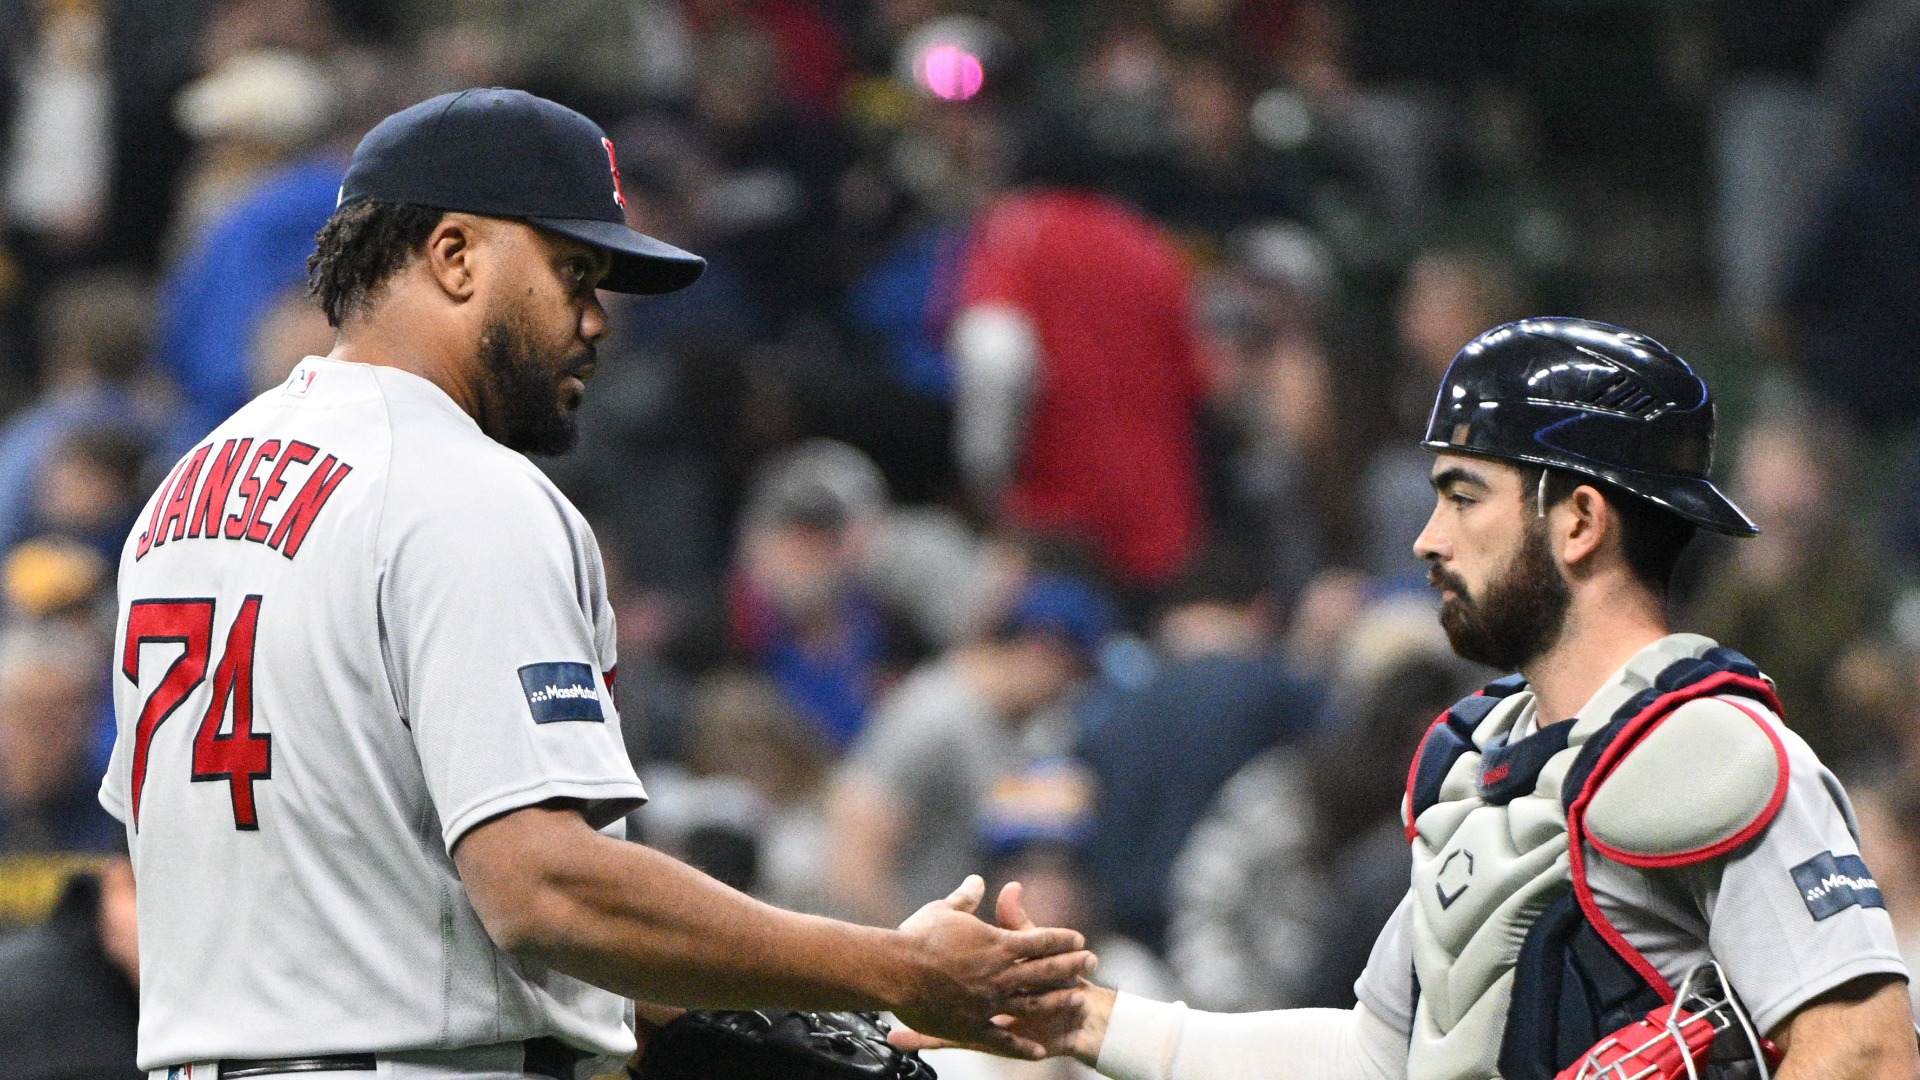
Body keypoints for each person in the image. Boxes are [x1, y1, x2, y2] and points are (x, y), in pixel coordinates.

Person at [101, 88, 1092, 1080]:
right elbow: (542, 891)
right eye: (572, 272)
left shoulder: (185, 495)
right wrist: (889, 968)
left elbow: (344, 872)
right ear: (454, 257)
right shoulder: (461, 491)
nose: (595, 320)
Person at [900, 318, 1919, 1079]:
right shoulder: (1479, 760)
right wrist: (1084, 1019)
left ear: (1579, 521)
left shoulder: (1721, 757)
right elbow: (1379, 1059)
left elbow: (1866, 1048)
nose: (1428, 539)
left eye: (1463, 494)